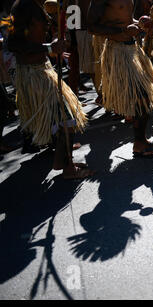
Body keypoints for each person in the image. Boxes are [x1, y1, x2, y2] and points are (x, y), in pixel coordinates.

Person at [6, 0, 93, 179]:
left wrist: (56, 38)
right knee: (68, 118)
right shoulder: (23, 6)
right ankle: (68, 168)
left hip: (43, 68)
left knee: (63, 117)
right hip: (34, 75)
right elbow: (14, 44)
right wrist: (48, 47)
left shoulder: (40, 4)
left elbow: (39, 34)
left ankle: (64, 157)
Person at [88, 0, 153, 158]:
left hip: (132, 50)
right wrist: (123, 29)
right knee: (141, 97)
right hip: (118, 52)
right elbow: (92, 27)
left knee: (144, 97)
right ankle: (138, 144)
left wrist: (139, 23)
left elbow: (124, 19)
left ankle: (142, 140)